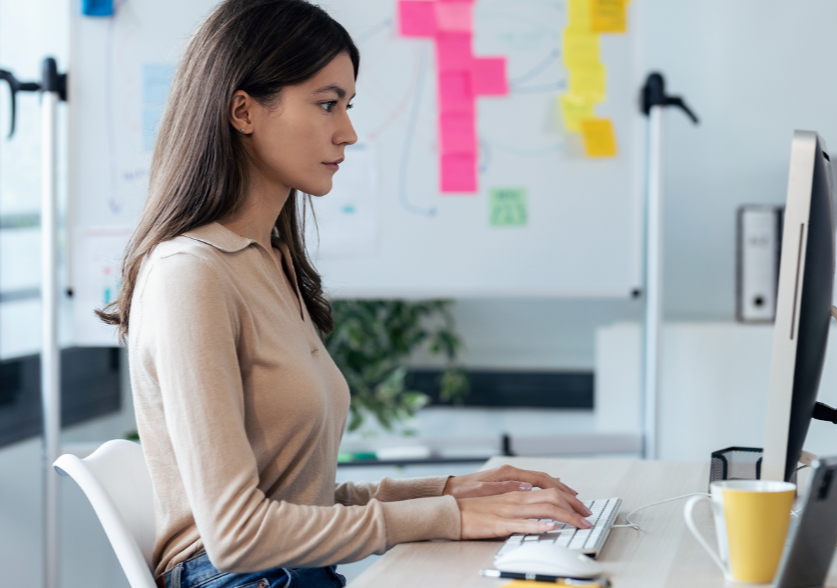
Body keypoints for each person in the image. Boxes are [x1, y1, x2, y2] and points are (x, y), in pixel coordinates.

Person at [98, 1, 593, 586]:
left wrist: (449, 491)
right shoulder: (191, 274)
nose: (349, 131)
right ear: (243, 110)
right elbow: (237, 536)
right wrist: (450, 516)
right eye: (327, 103)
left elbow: (298, 500)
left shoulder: (268, 262)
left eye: (347, 106)